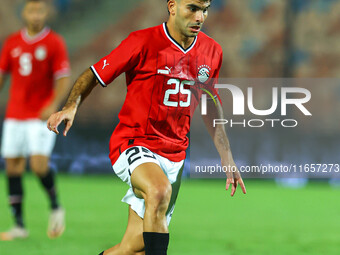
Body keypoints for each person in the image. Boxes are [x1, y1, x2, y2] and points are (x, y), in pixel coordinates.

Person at [48, 0, 246, 254]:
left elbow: (209, 104)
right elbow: (94, 73)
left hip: (175, 154)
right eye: (193, 8)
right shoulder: (143, 41)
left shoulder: (212, 51)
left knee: (133, 248)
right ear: (172, 6)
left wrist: (226, 155)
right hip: (134, 142)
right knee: (158, 190)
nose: (200, 17)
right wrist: (71, 106)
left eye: (205, 9)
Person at [0, 0, 70, 240]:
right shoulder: (12, 42)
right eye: (32, 10)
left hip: (39, 115)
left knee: (39, 165)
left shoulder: (54, 42)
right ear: (25, 13)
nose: (36, 15)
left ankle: (55, 206)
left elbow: (63, 78)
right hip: (14, 115)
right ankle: (19, 226)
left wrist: (52, 104)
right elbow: (2, 75)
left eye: (40, 10)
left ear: (46, 13)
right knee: (13, 167)